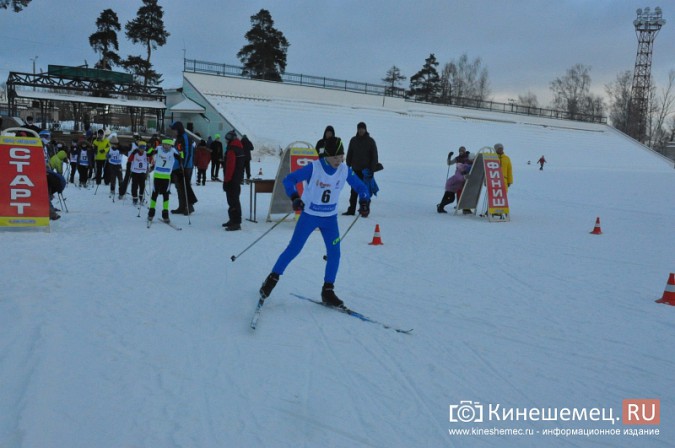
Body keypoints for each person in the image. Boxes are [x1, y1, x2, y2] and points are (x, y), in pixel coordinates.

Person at [259, 135, 371, 308]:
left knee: (335, 253)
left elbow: (361, 187)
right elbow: (289, 180)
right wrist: (295, 197)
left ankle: (328, 291)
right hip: (310, 216)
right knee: (294, 248)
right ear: (326, 156)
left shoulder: (344, 169)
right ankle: (272, 279)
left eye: (341, 156)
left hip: (330, 219)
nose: (339, 160)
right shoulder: (314, 168)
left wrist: (364, 200)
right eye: (335, 157)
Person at [344, 122, 378, 215]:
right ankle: (351, 210)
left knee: (365, 191)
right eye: (359, 128)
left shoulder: (370, 141)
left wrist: (372, 170)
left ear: (365, 129)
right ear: (357, 129)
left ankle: (364, 210)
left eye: (362, 129)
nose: (361, 130)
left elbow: (374, 157)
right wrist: (347, 165)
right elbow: (349, 153)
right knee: (354, 191)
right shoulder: (353, 140)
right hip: (355, 169)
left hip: (366, 171)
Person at [148, 139, 182, 223]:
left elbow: (181, 158)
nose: (166, 146)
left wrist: (180, 151)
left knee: (166, 195)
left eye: (168, 145)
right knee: (154, 194)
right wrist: (152, 148)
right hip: (157, 176)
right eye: (165, 144)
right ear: (162, 144)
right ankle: (151, 214)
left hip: (166, 177)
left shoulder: (173, 151)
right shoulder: (158, 149)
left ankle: (165, 215)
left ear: (171, 146)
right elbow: (148, 154)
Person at [170, 121, 197, 215]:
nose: (173, 132)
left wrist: (184, 166)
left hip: (185, 166)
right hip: (178, 166)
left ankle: (189, 207)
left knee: (185, 187)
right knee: (179, 187)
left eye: (174, 130)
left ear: (178, 129)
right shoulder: (178, 138)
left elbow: (188, 153)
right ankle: (182, 206)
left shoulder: (185, 137)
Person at [222, 130, 246, 231]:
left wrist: (226, 180)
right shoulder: (239, 147)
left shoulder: (232, 149)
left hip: (232, 179)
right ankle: (233, 219)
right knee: (234, 199)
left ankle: (236, 222)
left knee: (232, 200)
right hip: (237, 177)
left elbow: (230, 166)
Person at [128, 140, 152, 205]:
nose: (142, 149)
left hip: (142, 173)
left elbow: (150, 161)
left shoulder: (146, 153)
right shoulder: (135, 153)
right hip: (135, 172)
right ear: (138, 147)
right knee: (134, 186)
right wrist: (133, 153)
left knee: (142, 186)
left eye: (143, 148)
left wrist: (150, 155)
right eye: (141, 148)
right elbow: (129, 160)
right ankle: (135, 198)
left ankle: (141, 197)